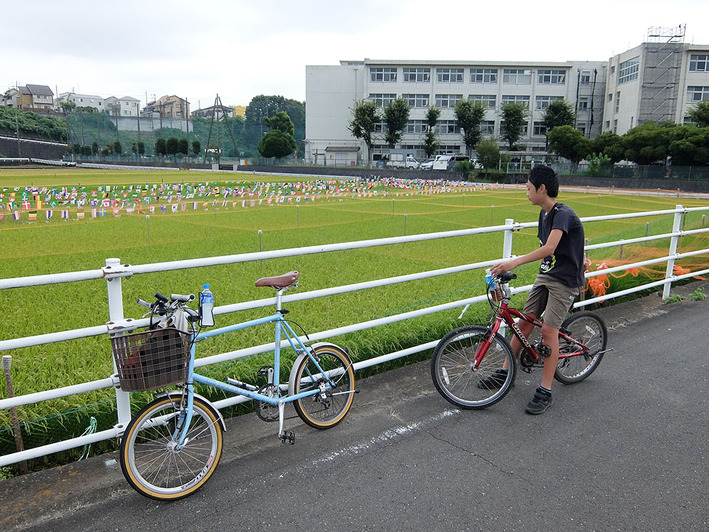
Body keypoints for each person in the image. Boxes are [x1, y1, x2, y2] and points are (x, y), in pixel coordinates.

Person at [489, 165, 585, 415]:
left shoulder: (562, 213)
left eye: (529, 188)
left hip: (564, 280)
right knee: (525, 322)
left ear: (542, 189)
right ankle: (505, 372)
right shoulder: (543, 214)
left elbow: (550, 248)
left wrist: (515, 261)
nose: (526, 192)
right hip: (547, 275)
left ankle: (545, 390)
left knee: (549, 333)